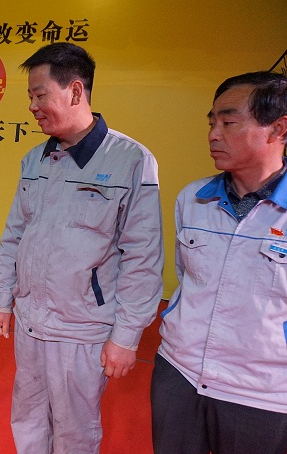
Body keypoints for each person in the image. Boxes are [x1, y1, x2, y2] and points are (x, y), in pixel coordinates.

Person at [0, 42, 164, 453]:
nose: (32, 106)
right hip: (30, 321)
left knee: (74, 430)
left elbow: (143, 257)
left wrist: (126, 337)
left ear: (74, 91)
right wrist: (3, 300)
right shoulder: (35, 159)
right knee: (28, 416)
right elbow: (15, 233)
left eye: (40, 95)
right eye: (29, 96)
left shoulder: (131, 160)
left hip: (82, 327)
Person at [151, 71, 287, 454]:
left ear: (278, 129)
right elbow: (187, 280)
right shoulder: (193, 198)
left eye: (228, 123)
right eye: (211, 123)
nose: (213, 134)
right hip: (179, 372)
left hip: (262, 393)